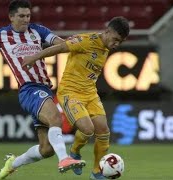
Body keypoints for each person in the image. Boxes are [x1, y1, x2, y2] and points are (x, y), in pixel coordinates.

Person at [0, 0, 86, 180]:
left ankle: (12, 164)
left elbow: (60, 43)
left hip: (44, 89)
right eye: (21, 16)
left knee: (46, 149)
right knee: (56, 118)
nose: (25, 19)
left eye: (28, 15)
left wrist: (76, 46)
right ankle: (65, 159)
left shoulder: (38, 30)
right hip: (29, 89)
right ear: (11, 17)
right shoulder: (0, 35)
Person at [22, 16, 130, 179]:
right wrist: (34, 57)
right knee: (87, 129)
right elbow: (59, 48)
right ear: (107, 32)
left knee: (103, 132)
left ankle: (96, 172)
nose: (116, 44)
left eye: (119, 42)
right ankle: (74, 151)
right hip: (70, 92)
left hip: (90, 94)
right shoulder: (85, 40)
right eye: (115, 39)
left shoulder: (106, 48)